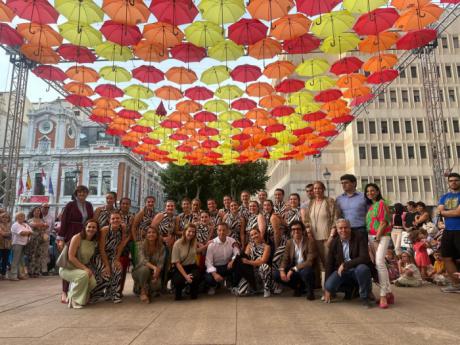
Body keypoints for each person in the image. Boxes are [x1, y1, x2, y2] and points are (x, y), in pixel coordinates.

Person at [324, 219, 374, 308]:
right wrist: (326, 289)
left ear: (350, 228)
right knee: (329, 285)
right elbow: (329, 264)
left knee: (363, 269)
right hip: (343, 272)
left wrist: (345, 265)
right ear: (337, 230)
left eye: (346, 227)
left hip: (356, 268)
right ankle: (352, 289)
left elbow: (364, 257)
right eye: (340, 228)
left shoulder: (359, 237)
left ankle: (365, 297)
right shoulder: (334, 242)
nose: (343, 230)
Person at [57, 185, 94, 303]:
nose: (82, 194)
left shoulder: (89, 205)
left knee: (81, 262)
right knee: (69, 263)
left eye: (84, 192)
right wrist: (61, 239)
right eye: (80, 192)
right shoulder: (70, 205)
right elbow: (64, 221)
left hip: (84, 235)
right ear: (76, 194)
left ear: (87, 194)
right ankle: (64, 291)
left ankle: (78, 291)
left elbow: (91, 221)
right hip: (71, 233)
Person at [302, 181, 338, 286]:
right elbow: (307, 220)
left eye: (319, 188)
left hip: (327, 236)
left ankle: (330, 288)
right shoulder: (311, 203)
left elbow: (335, 219)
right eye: (315, 188)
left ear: (323, 189)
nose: (317, 190)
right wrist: (308, 231)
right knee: (317, 263)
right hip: (314, 238)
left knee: (328, 263)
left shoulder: (330, 201)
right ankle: (320, 286)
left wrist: (331, 236)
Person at [59, 219, 99, 309]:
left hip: (80, 269)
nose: (91, 229)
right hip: (67, 268)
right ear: (85, 227)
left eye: (94, 227)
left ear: (96, 229)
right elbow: (71, 257)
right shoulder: (77, 237)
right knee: (83, 276)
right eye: (89, 227)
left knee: (93, 282)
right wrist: (85, 269)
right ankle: (74, 300)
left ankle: (74, 296)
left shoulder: (94, 241)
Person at [365, 183, 393, 308]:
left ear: (377, 191)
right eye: (367, 191)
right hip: (371, 237)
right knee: (379, 265)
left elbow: (384, 222)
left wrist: (377, 236)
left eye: (372, 190)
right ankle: (389, 293)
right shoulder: (372, 206)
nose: (370, 193)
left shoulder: (382, 203)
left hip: (381, 236)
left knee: (380, 263)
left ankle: (383, 295)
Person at [90, 211, 126, 303]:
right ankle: (95, 294)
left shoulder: (122, 228)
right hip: (100, 256)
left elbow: (121, 245)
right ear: (109, 220)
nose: (115, 220)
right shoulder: (104, 230)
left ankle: (114, 294)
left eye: (117, 218)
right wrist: (107, 266)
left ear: (121, 219)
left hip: (112, 255)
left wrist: (117, 259)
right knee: (105, 273)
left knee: (117, 269)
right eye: (113, 218)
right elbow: (101, 249)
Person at [274, 221, 316, 300]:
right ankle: (297, 287)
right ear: (291, 231)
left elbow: (309, 262)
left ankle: (310, 291)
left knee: (307, 272)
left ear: (302, 230)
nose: (296, 231)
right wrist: (282, 270)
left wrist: (294, 269)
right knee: (276, 275)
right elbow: (285, 259)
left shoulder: (310, 241)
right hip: (294, 270)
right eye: (293, 229)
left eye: (298, 229)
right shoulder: (289, 242)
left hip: (305, 268)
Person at [438, 172, 460, 292]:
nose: (453, 182)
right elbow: (440, 211)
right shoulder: (444, 197)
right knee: (447, 257)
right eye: (451, 180)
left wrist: (446, 212)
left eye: (456, 180)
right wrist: (452, 212)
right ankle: (456, 285)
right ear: (448, 183)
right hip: (448, 230)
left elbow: (458, 213)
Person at [234, 228, 272, 297]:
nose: (254, 236)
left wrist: (249, 262)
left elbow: (263, 261)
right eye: (252, 235)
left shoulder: (267, 247)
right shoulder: (250, 245)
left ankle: (266, 288)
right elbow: (244, 258)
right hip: (251, 272)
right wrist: (254, 262)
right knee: (241, 292)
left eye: (255, 233)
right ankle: (255, 289)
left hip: (262, 272)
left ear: (260, 233)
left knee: (264, 266)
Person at [132, 226, 166, 303]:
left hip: (153, 272)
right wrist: (154, 267)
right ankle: (143, 292)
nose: (151, 234)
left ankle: (142, 288)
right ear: (146, 235)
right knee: (145, 269)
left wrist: (156, 274)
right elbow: (143, 260)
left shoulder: (161, 247)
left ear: (157, 235)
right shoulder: (140, 245)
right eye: (149, 232)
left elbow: (161, 263)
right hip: (140, 271)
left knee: (157, 285)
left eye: (153, 232)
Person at [205, 222, 240, 295]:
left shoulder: (232, 241)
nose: (222, 232)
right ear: (217, 231)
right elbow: (208, 262)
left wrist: (232, 260)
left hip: (227, 266)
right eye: (219, 230)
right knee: (208, 277)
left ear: (228, 231)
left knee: (238, 264)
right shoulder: (212, 244)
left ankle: (233, 285)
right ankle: (213, 286)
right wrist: (215, 274)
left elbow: (237, 253)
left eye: (224, 230)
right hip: (215, 267)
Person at [171, 223, 203, 300]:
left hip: (192, 266)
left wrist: (206, 246)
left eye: (193, 232)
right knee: (179, 281)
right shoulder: (177, 244)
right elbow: (177, 263)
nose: (191, 233)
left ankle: (192, 291)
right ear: (185, 231)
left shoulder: (194, 241)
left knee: (195, 277)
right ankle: (179, 290)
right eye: (189, 231)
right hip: (180, 267)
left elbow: (195, 251)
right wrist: (186, 276)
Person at [131, 196, 156, 264]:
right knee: (141, 262)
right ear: (145, 203)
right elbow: (133, 227)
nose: (150, 203)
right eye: (148, 202)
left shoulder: (155, 214)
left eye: (152, 202)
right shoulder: (141, 213)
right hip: (141, 241)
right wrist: (136, 240)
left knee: (149, 261)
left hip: (150, 241)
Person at [8, 212, 33, 281]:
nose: (21, 217)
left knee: (21, 260)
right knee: (15, 260)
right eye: (20, 216)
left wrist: (27, 233)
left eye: (23, 216)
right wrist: (27, 233)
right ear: (16, 217)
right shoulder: (15, 225)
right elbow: (22, 233)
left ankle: (21, 274)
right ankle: (13, 275)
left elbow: (31, 232)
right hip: (17, 243)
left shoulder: (25, 224)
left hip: (24, 244)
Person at [25, 206, 48, 277]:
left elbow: (46, 226)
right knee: (32, 255)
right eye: (36, 211)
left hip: (41, 239)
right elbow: (33, 225)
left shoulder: (42, 220)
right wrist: (42, 225)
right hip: (33, 239)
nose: (37, 212)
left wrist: (42, 225)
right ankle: (30, 271)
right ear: (33, 212)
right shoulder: (29, 220)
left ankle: (36, 271)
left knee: (39, 255)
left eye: (39, 211)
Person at [118, 197, 134, 294]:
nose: (125, 205)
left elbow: (132, 231)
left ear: (129, 205)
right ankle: (111, 288)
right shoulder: (115, 214)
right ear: (120, 204)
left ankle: (120, 289)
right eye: (123, 203)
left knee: (123, 266)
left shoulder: (132, 216)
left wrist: (125, 241)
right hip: (114, 243)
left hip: (126, 244)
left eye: (127, 204)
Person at [40, 203, 54, 275]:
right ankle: (36, 269)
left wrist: (47, 234)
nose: (46, 209)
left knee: (45, 253)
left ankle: (44, 270)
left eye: (48, 207)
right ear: (41, 207)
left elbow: (52, 227)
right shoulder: (37, 215)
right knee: (36, 253)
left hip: (46, 236)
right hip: (37, 236)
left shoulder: (51, 217)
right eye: (44, 207)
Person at [0, 212, 11, 279]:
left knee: (5, 260)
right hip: (0, 245)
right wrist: (7, 234)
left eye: (6, 217)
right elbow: (3, 233)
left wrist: (5, 234)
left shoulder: (10, 225)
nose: (5, 218)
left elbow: (11, 234)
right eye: (3, 217)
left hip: (7, 245)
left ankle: (3, 274)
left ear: (8, 218)